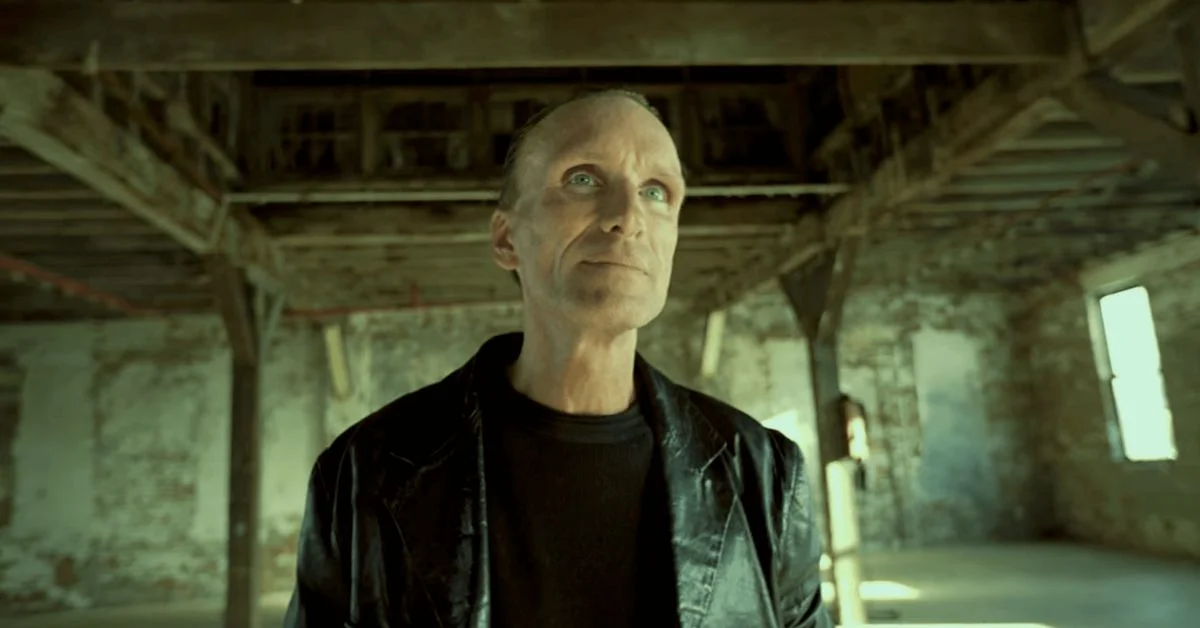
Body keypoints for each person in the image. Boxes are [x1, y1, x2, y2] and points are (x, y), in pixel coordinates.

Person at [284, 89, 831, 628]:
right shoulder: (362, 474)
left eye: (656, 191)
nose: (629, 217)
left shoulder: (766, 476)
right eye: (583, 179)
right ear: (506, 239)